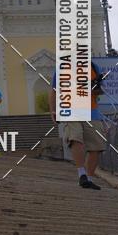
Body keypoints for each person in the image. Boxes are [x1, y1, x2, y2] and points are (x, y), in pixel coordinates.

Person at [49, 61, 104, 190]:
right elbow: (54, 90)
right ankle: (82, 174)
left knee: (96, 146)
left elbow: (99, 92)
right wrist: (53, 109)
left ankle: (88, 179)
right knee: (75, 137)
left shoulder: (94, 67)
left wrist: (95, 86)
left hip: (92, 111)